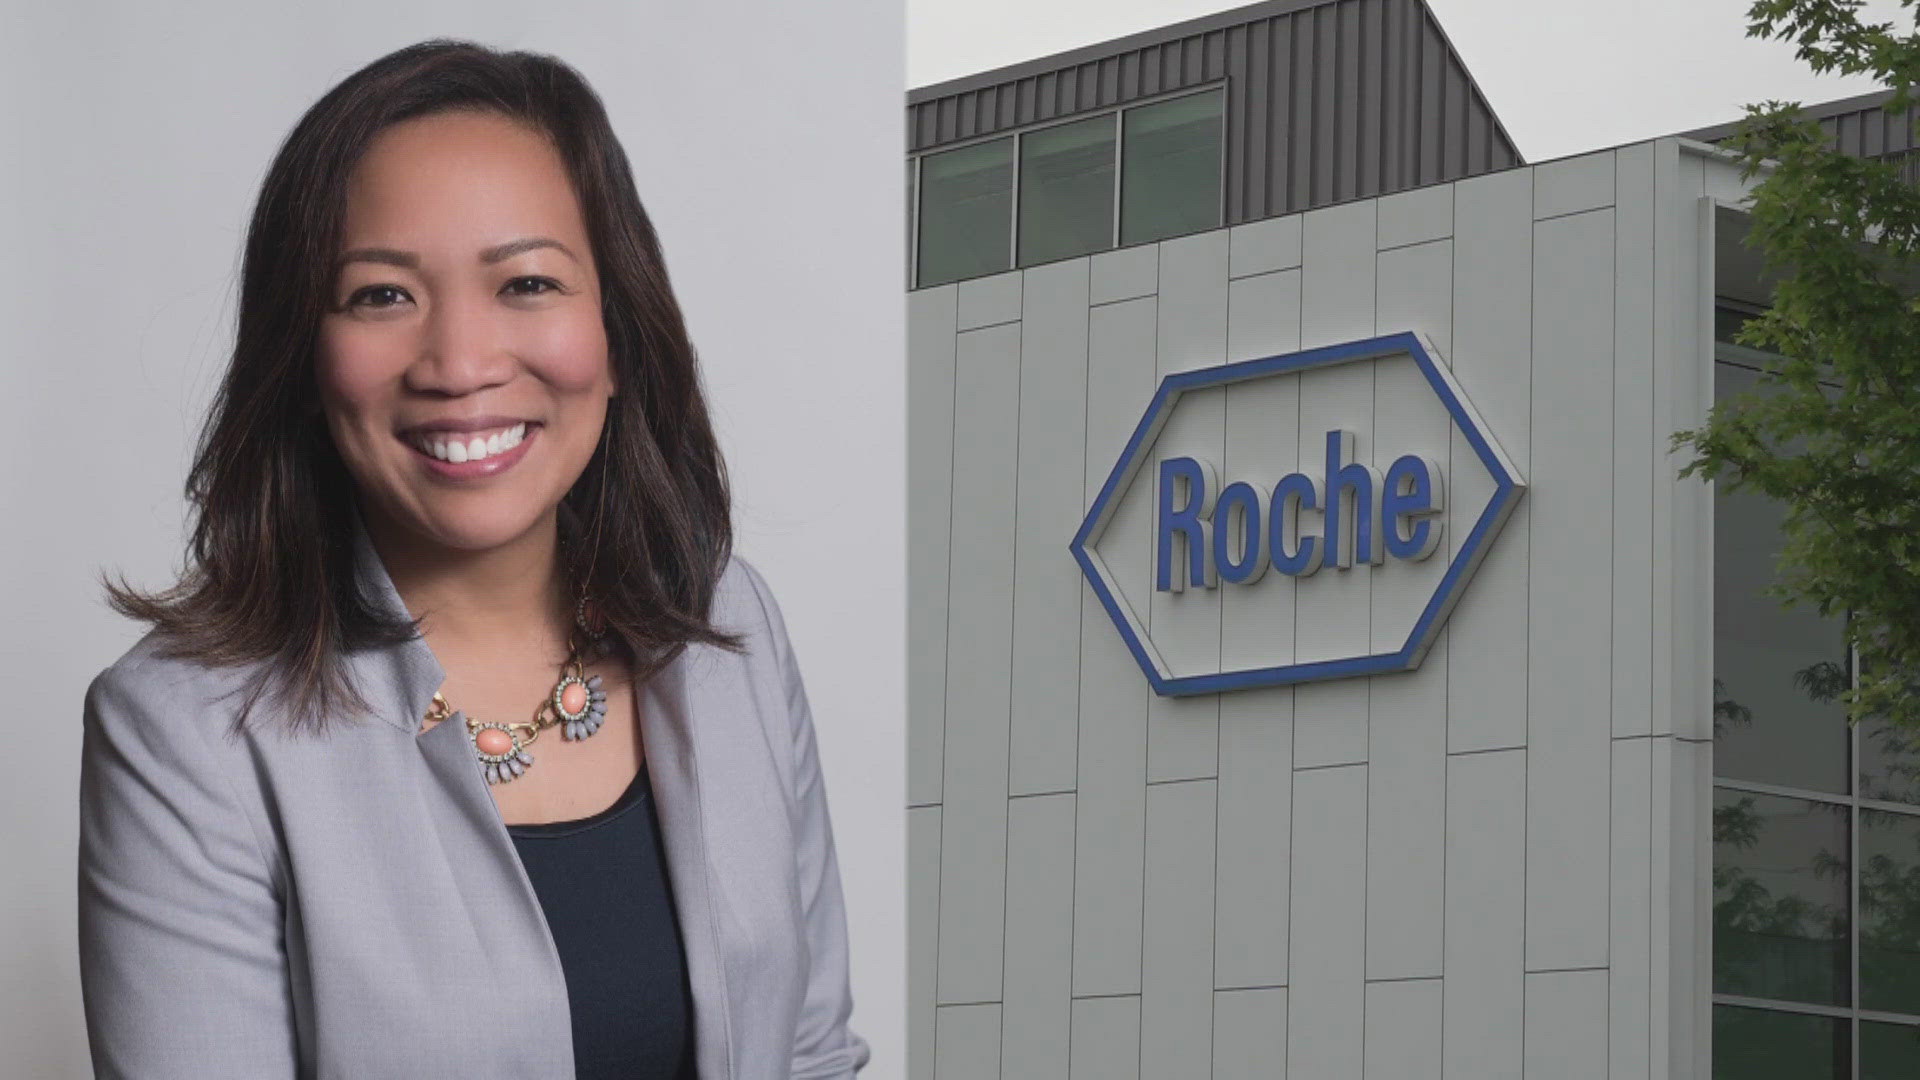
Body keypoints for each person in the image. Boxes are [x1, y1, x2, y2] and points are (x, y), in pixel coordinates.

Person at [76, 38, 869, 1080]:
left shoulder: (728, 627)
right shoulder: (185, 735)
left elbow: (810, 1054)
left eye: (528, 282)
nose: (460, 364)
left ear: (618, 332)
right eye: (382, 295)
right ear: (304, 359)